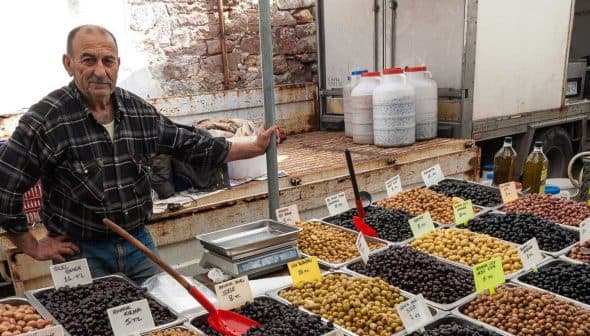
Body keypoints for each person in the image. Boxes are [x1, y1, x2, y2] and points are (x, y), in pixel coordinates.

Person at [0, 25, 279, 285]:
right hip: (79, 252)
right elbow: (5, 187)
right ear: (68, 63)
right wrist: (32, 246)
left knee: (163, 316)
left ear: (118, 65)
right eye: (88, 60)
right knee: (90, 325)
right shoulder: (47, 119)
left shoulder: (138, 112)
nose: (100, 71)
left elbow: (191, 144)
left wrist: (253, 147)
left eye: (108, 61)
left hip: (138, 243)